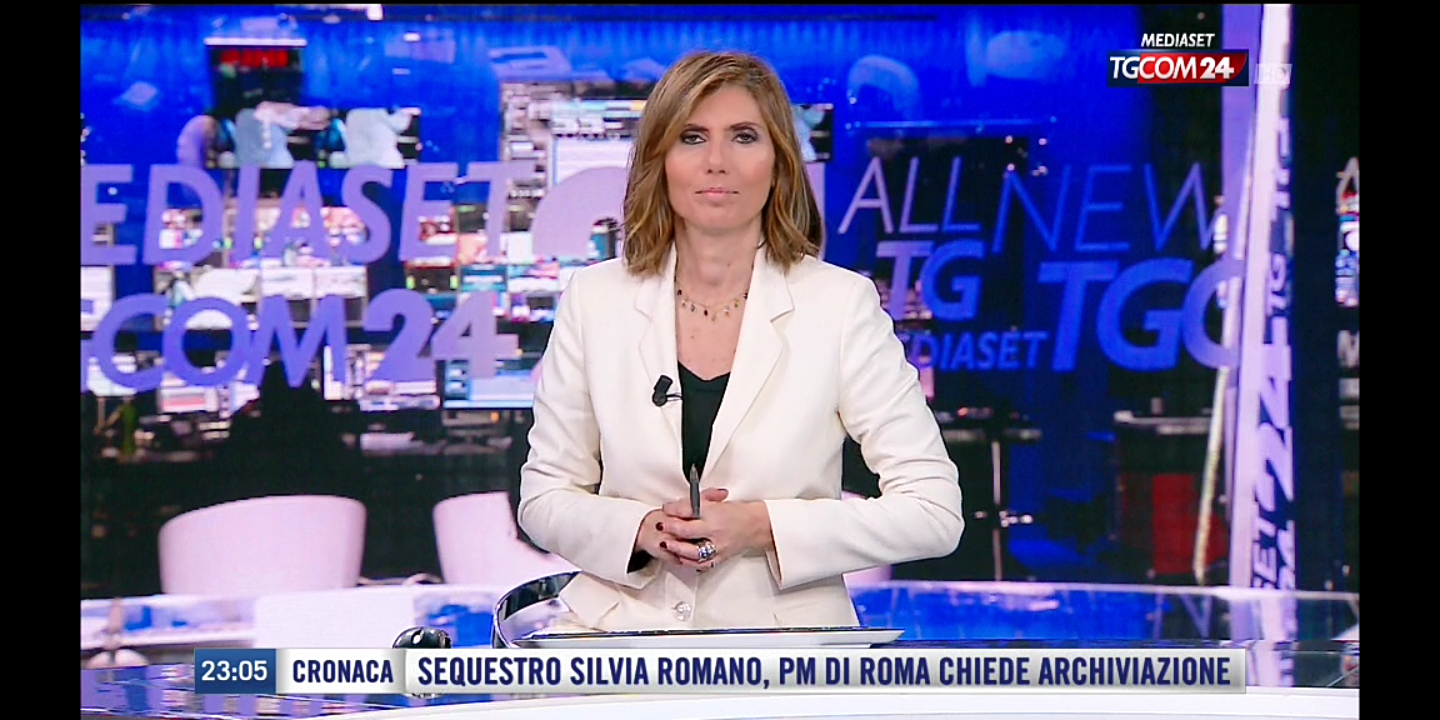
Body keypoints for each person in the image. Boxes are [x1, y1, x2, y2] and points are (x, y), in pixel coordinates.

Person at [517, 51, 963, 633]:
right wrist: (642, 530)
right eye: (692, 137)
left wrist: (762, 526)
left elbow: (933, 511)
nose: (716, 162)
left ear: (779, 163)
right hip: (619, 641)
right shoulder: (595, 299)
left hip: (785, 652)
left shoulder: (839, 305)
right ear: (659, 160)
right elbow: (544, 498)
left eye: (744, 137)